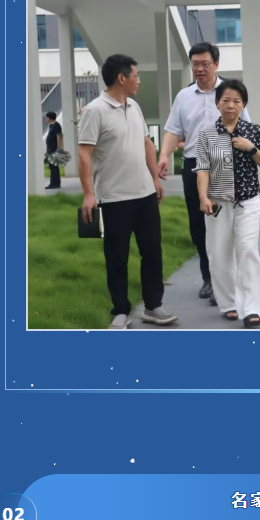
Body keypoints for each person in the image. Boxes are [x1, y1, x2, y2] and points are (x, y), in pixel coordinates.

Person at [78, 54, 178, 330]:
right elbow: (84, 154)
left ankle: (153, 306)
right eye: (136, 75)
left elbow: (146, 143)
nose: (139, 80)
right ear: (122, 78)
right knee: (117, 258)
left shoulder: (134, 106)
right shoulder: (94, 110)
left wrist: (154, 179)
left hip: (144, 196)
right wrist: (88, 194)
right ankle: (120, 311)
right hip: (114, 199)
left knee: (152, 252)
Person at [157, 42, 251, 303]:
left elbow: (247, 128)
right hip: (194, 165)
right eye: (195, 64)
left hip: (227, 166)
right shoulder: (184, 96)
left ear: (216, 64)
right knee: (199, 224)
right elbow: (173, 131)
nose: (199, 69)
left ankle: (230, 279)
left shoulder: (230, 92)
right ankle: (209, 278)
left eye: (205, 64)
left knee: (229, 222)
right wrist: (164, 155)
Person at [194, 79, 260, 329]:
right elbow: (202, 168)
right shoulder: (206, 133)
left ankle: (252, 308)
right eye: (226, 100)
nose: (231, 105)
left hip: (248, 201)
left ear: (243, 105)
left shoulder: (252, 130)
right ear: (217, 103)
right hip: (218, 203)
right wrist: (203, 197)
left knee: (247, 250)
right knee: (219, 254)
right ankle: (228, 303)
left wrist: (251, 149)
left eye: (236, 101)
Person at [45, 111, 63, 189]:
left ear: (49, 118)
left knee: (54, 166)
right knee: (52, 166)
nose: (46, 119)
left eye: (46, 117)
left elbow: (58, 136)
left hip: (54, 148)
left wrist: (58, 148)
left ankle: (55, 183)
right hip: (50, 148)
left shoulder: (56, 125)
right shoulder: (51, 126)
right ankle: (54, 182)